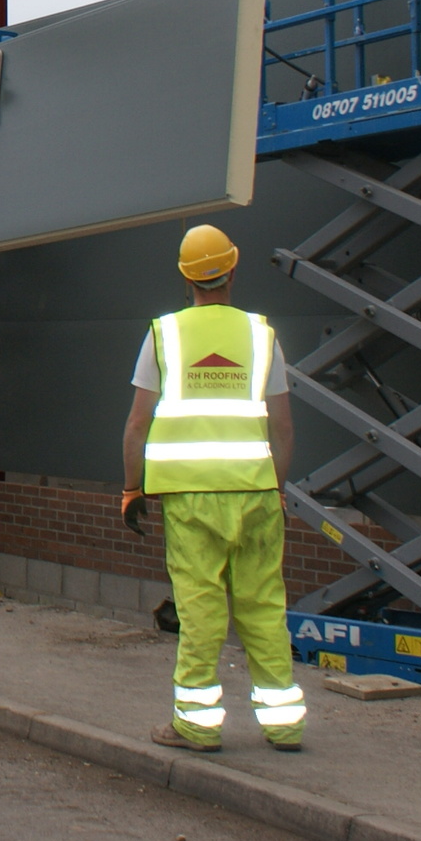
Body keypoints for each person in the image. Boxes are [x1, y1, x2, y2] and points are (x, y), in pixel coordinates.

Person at [120, 225, 305, 753]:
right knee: (264, 605)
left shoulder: (164, 335)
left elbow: (137, 425)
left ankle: (197, 727)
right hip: (256, 492)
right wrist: (276, 489)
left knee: (200, 607)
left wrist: (132, 491)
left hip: (189, 497)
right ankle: (284, 724)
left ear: (185, 277)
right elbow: (283, 427)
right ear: (233, 267)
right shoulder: (260, 335)